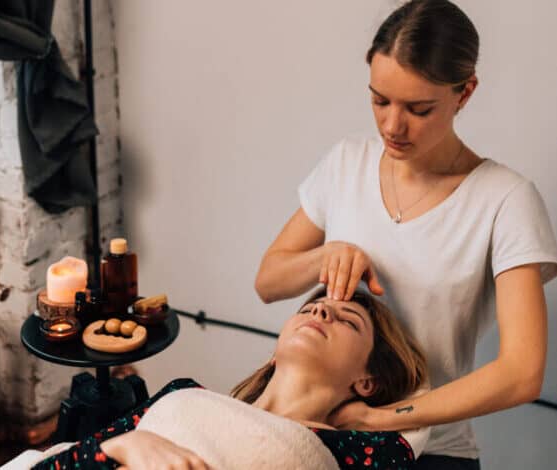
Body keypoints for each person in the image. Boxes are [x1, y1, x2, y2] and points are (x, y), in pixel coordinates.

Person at [254, 1, 557, 468]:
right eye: (380, 100)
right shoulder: (346, 163)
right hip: (315, 438)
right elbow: (268, 282)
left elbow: (521, 373)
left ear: (465, 92)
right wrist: (326, 255)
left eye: (419, 108)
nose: (392, 126)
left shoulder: (506, 200)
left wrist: (381, 420)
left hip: (432, 452)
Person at [32, 288, 427, 469]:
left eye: (348, 322)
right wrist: (123, 448)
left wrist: (376, 417)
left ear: (367, 380)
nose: (321, 314)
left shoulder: (361, 450)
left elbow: (418, 420)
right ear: (277, 350)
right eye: (312, 308)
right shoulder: (183, 393)